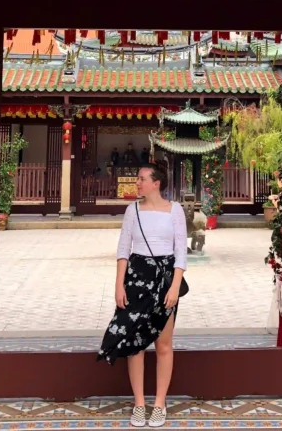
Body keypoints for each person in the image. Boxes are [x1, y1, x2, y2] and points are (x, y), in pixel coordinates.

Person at [97, 162, 187, 428]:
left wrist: (174, 287)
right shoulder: (132, 210)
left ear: (156, 183)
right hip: (136, 277)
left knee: (163, 344)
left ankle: (159, 403)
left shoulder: (175, 211)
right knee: (134, 344)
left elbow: (180, 251)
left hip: (165, 279)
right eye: (138, 179)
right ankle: (139, 403)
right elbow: (124, 248)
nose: (137, 183)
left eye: (141, 179)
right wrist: (118, 285)